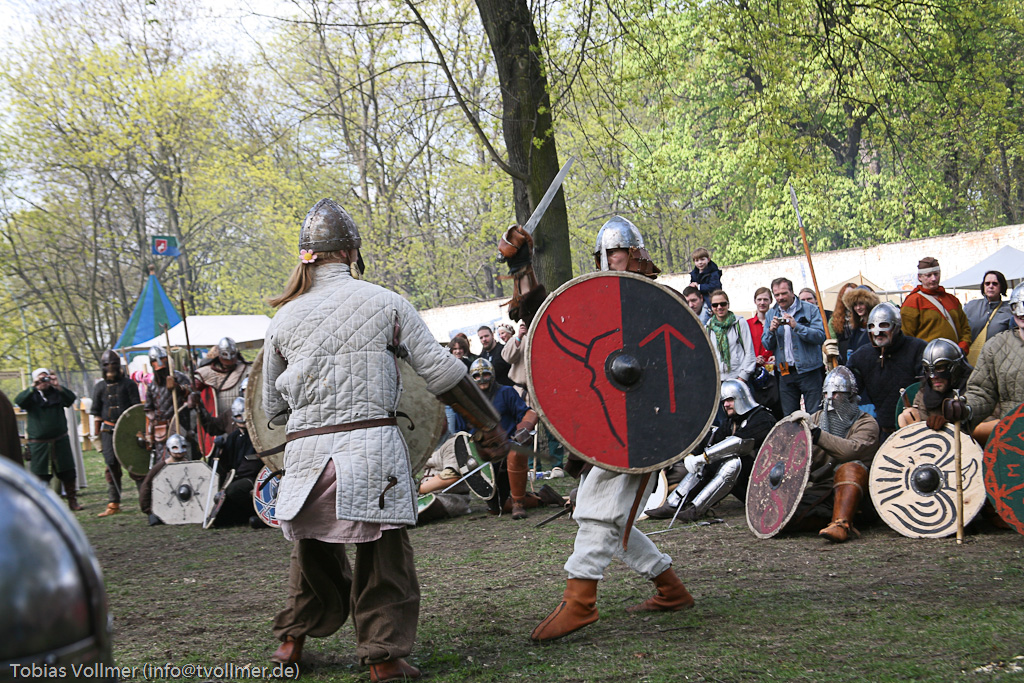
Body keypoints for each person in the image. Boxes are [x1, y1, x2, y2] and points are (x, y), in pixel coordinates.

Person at [261, 198, 507, 681]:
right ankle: (384, 657)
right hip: (371, 451)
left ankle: (291, 641)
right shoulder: (385, 302)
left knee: (311, 547)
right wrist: (489, 424)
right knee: (384, 555)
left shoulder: (283, 319)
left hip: (309, 455)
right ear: (350, 252)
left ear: (308, 256)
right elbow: (442, 373)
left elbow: (270, 407)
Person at [532, 216, 693, 644]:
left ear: (635, 255)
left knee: (601, 510)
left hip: (647, 426)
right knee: (604, 510)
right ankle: (670, 589)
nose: (608, 261)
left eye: (615, 253)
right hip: (613, 423)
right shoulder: (600, 306)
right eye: (603, 255)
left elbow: (687, 369)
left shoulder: (663, 302)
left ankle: (580, 599)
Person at [426, 358, 557, 519]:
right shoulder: (466, 403)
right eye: (477, 376)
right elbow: (461, 436)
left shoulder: (506, 392)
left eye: (486, 374)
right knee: (497, 508)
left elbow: (529, 413)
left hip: (508, 449)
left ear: (493, 375)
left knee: (515, 451)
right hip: (484, 460)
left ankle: (518, 504)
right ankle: (543, 497)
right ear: (471, 379)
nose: (482, 379)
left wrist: (523, 430)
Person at [646, 379, 776, 521]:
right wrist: (693, 456)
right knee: (705, 463)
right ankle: (673, 504)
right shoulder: (732, 421)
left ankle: (696, 509)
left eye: (730, 400)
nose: (726, 405)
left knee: (732, 462)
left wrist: (703, 457)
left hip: (762, 486)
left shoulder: (763, 419)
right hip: (743, 483)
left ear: (742, 397)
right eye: (724, 401)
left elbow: (739, 443)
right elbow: (712, 441)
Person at [784, 367, 880, 543]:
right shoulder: (816, 418)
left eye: (836, 393)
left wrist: (817, 434)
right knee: (787, 517)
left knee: (851, 467)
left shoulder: (866, 423)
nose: (830, 398)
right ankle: (834, 518)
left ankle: (841, 524)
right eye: (826, 393)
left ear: (850, 396)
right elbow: (799, 457)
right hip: (824, 489)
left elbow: (849, 451)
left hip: (858, 492)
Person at [945, 282, 1024, 446]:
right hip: (1013, 440)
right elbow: (982, 391)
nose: (1022, 313)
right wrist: (966, 408)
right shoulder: (996, 347)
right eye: (1017, 306)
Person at [847, 303, 925, 440]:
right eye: (872, 326)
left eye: (884, 325)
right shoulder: (861, 356)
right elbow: (847, 394)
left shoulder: (918, 349)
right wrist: (834, 370)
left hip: (918, 429)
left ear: (896, 326)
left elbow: (928, 389)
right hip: (885, 433)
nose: (877, 332)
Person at [15, 369, 81, 510]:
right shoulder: (30, 396)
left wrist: (58, 386)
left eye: (46, 378)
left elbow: (70, 399)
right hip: (39, 445)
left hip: (60, 442)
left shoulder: (57, 394)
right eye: (41, 379)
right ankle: (43, 506)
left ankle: (72, 501)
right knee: (40, 477)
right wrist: (34, 386)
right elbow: (19, 401)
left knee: (68, 473)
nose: (44, 382)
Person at [761, 277, 827, 415]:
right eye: (777, 295)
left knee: (815, 415)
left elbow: (820, 336)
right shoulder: (771, 314)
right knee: (790, 417)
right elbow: (767, 344)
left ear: (792, 292)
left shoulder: (810, 309)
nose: (780, 298)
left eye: (784, 293)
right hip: (785, 372)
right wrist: (771, 331)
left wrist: (797, 326)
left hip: (810, 370)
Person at [90, 350, 141, 518]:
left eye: (113, 364)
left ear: (119, 366)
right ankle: (114, 503)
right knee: (111, 466)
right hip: (108, 431)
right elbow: (97, 413)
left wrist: (139, 431)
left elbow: (136, 409)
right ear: (103, 367)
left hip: (128, 430)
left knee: (135, 464)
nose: (110, 367)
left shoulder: (129, 384)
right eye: (107, 364)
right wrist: (96, 436)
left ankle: (145, 500)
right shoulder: (99, 387)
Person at [900, 256, 971, 354]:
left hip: (955, 356)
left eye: (936, 274)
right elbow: (906, 336)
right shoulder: (912, 302)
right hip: (927, 358)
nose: (933, 278)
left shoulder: (952, 300)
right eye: (928, 275)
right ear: (919, 277)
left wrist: (962, 348)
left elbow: (965, 328)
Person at [898, 338, 970, 429]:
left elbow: (983, 427)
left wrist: (950, 425)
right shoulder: (923, 394)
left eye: (940, 368)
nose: (933, 376)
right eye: (928, 369)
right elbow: (920, 429)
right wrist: (911, 422)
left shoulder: (973, 392)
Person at [143, 345, 193, 464]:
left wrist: (177, 388)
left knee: (184, 462)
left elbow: (191, 397)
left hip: (181, 426)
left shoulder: (179, 377)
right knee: (164, 464)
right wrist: (150, 433)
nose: (161, 370)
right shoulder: (152, 385)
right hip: (161, 432)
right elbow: (149, 410)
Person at [192, 336, 251, 435]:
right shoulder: (206, 372)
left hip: (247, 417)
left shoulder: (247, 370)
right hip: (223, 422)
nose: (229, 359)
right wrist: (198, 405)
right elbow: (191, 389)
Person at [964, 270, 1013, 365]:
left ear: (1001, 286)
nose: (991, 286)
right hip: (970, 364)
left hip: (997, 363)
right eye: (987, 283)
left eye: (995, 283)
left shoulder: (1009, 310)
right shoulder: (971, 306)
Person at [705, 290, 755, 383]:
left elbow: (749, 352)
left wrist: (742, 377)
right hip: (718, 380)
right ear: (711, 307)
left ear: (728, 305)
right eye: (715, 305)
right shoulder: (708, 328)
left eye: (723, 304)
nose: (719, 307)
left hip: (739, 378)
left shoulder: (739, 323)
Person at [827, 285, 878, 365]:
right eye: (855, 305)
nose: (858, 308)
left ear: (869, 303)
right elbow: (851, 350)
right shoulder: (857, 328)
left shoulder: (877, 326)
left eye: (861, 303)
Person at [688, 247, 722, 312]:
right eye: (697, 260)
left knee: (704, 315)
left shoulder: (714, 273)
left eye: (702, 259)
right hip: (698, 300)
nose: (700, 262)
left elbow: (715, 286)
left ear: (708, 259)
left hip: (710, 300)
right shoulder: (694, 274)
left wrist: (699, 287)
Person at [748, 287, 772, 364]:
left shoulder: (776, 322)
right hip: (754, 367)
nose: (762, 303)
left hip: (774, 366)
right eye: (759, 299)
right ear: (755, 301)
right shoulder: (747, 324)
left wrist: (777, 356)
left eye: (765, 299)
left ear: (771, 301)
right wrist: (753, 359)